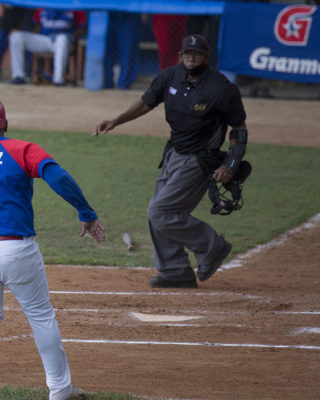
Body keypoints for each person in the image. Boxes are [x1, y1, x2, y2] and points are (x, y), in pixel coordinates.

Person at [0, 96, 106, 400]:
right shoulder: (19, 149)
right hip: (15, 248)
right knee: (40, 316)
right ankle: (59, 389)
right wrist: (85, 211)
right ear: (4, 124)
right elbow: (56, 175)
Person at [93, 34, 247, 288]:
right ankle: (175, 270)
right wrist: (115, 121)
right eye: (187, 53)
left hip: (201, 159)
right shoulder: (170, 76)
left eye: (196, 54)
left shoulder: (222, 89)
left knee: (160, 211)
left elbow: (239, 130)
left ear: (207, 58)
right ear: (180, 56)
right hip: (173, 154)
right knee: (158, 211)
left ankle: (213, 246)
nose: (191, 57)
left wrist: (229, 165)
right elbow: (145, 103)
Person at [8, 8, 85, 86]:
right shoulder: (43, 2)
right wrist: (32, 36)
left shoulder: (73, 4)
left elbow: (83, 27)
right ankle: (18, 76)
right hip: (44, 39)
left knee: (61, 39)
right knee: (16, 36)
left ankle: (58, 80)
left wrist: (72, 37)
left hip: (64, 41)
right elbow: (38, 25)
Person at [0, 3, 33, 81]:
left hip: (26, 7)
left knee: (27, 37)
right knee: (3, 38)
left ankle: (28, 70)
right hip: (11, 8)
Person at [103, 12, 142, 89]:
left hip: (129, 15)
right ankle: (107, 82)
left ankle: (124, 84)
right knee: (107, 52)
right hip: (109, 13)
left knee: (128, 52)